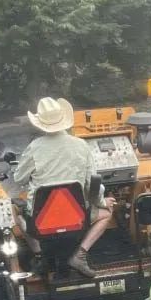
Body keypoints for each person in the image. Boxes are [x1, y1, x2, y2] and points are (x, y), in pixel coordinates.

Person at [13, 96, 115, 277]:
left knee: (15, 212)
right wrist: (102, 202)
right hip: (76, 218)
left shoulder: (34, 148)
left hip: (41, 221)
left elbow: (19, 178)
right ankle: (80, 255)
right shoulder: (81, 146)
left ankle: (40, 255)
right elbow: (93, 183)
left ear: (40, 123)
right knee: (106, 214)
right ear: (64, 121)